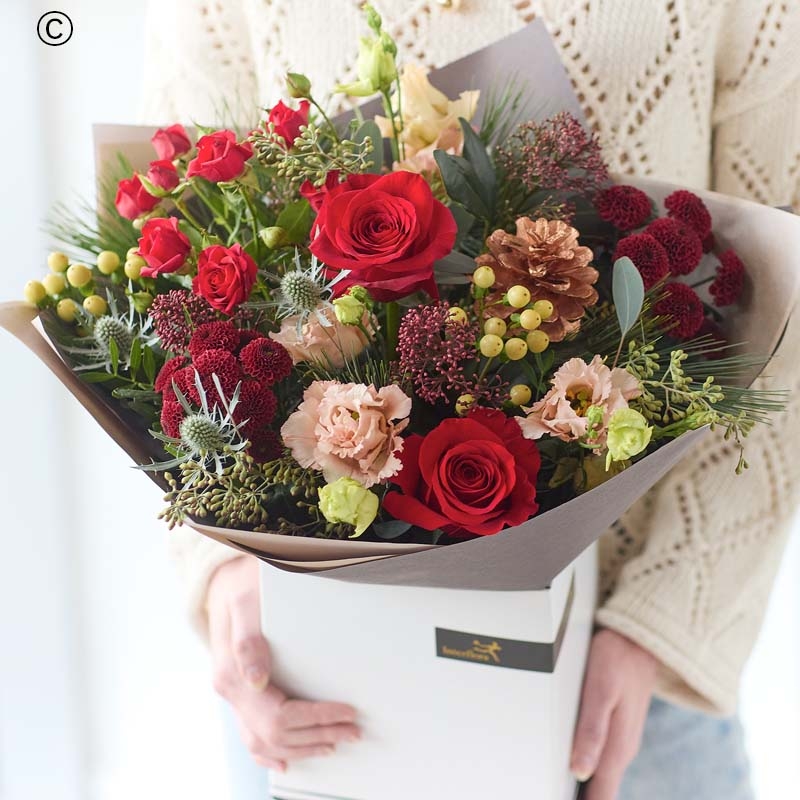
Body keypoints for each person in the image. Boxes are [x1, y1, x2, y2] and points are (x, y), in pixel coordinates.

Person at [142, 2, 800, 798]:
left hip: (624, 681)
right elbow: (172, 294)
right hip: (314, 679)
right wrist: (227, 577)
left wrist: (660, 622)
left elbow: (783, 323)